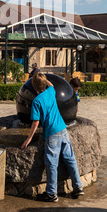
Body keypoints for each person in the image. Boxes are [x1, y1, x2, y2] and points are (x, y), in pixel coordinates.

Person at [21, 72, 84, 202]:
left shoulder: (37, 101)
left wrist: (29, 138)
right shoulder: (51, 91)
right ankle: (78, 187)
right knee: (70, 158)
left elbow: (35, 122)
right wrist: (45, 79)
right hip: (62, 128)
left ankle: (51, 193)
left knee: (51, 163)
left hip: (52, 133)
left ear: (33, 85)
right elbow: (51, 84)